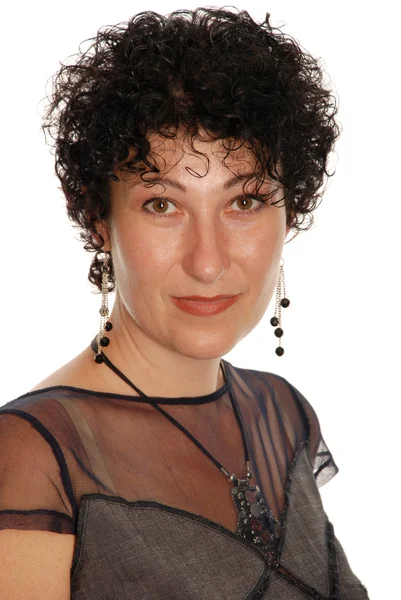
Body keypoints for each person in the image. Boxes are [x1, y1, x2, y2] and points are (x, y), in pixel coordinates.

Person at [0, 6, 369, 599]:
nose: (208, 260)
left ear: (289, 211)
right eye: (162, 205)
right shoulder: (32, 457)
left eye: (244, 201)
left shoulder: (284, 414)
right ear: (99, 217)